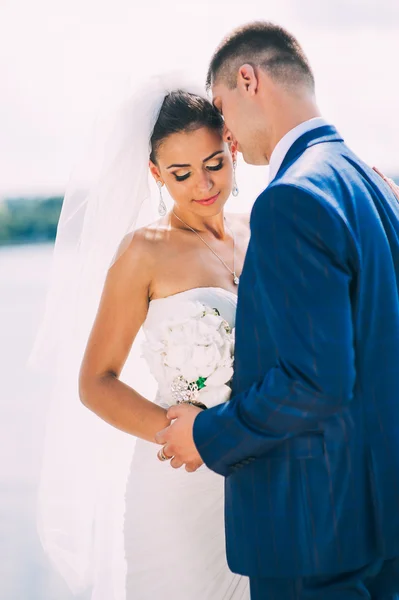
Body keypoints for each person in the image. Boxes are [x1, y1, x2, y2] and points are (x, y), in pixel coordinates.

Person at [156, 21, 399, 599]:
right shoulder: (377, 184)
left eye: (222, 110)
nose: (227, 138)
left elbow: (315, 380)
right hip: (379, 521)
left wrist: (208, 433)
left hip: (313, 533)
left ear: (248, 79)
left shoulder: (290, 198)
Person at [28, 77, 250, 599]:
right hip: (181, 483)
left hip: (261, 476)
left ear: (231, 147)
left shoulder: (258, 229)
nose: (203, 184)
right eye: (181, 173)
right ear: (156, 174)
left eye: (214, 162)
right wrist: (177, 434)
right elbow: (95, 382)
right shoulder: (143, 252)